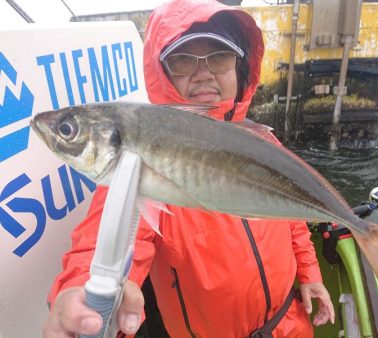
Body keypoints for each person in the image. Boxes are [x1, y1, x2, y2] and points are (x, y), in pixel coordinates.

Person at [43, 1, 335, 337]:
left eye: (220, 56)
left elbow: (289, 216)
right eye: (183, 60)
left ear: (239, 68)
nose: (204, 73)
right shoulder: (142, 156)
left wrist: (310, 273)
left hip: (291, 323)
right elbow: (109, 237)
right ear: (162, 72)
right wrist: (79, 291)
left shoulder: (263, 143)